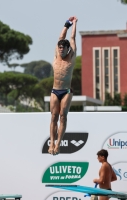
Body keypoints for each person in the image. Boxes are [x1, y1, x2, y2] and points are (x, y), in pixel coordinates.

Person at [48, 16, 78, 155]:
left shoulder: (70, 57)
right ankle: (52, 143)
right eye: (59, 47)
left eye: (63, 47)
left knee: (63, 116)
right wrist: (66, 24)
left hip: (66, 91)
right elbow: (61, 36)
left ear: (67, 49)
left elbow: (72, 38)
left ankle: (58, 144)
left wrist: (74, 24)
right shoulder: (56, 55)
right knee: (53, 116)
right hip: (55, 91)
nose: (60, 49)